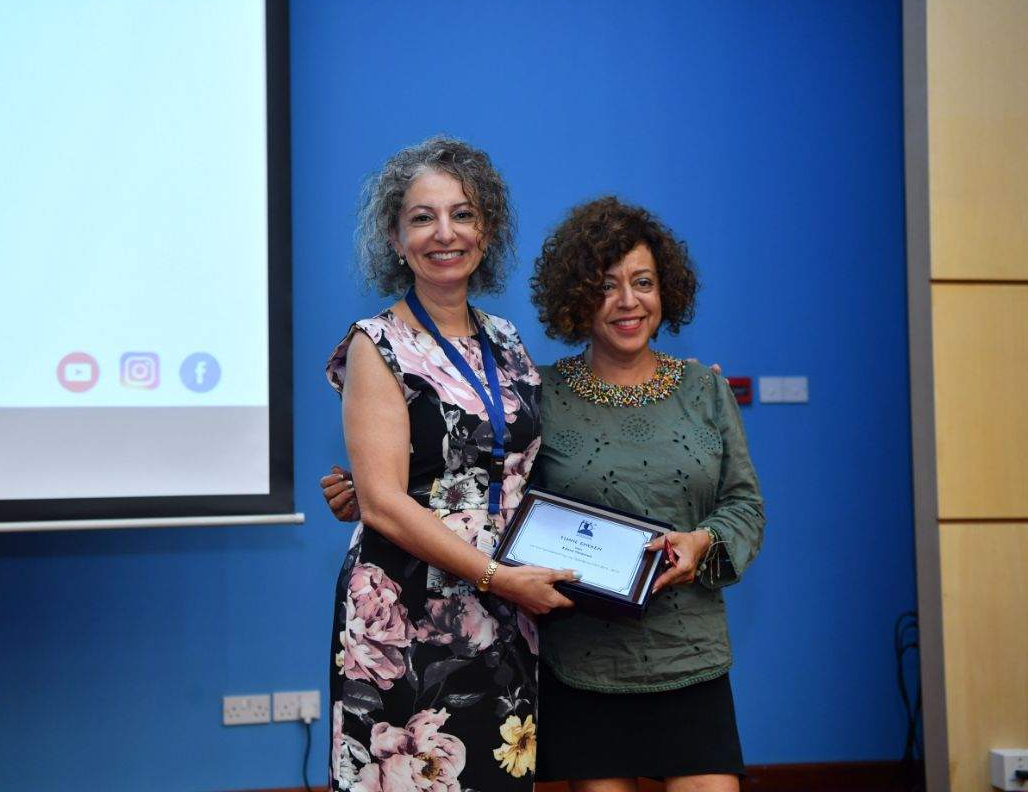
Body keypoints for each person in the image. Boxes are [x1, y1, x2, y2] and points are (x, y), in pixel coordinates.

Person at [323, 196, 765, 792]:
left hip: (686, 652)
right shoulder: (541, 392)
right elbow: (490, 469)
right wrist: (375, 490)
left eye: (643, 283)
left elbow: (744, 505)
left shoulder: (701, 389)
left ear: (667, 292)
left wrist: (703, 541)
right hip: (576, 655)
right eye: (605, 286)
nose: (628, 301)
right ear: (577, 298)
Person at [325, 136, 575, 792]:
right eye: (422, 217)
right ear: (395, 237)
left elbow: (518, 466)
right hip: (405, 613)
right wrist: (498, 577)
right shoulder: (375, 344)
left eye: (463, 214)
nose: (445, 233)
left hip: (506, 610)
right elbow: (384, 503)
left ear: (486, 231)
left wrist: (676, 394)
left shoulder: (506, 340)